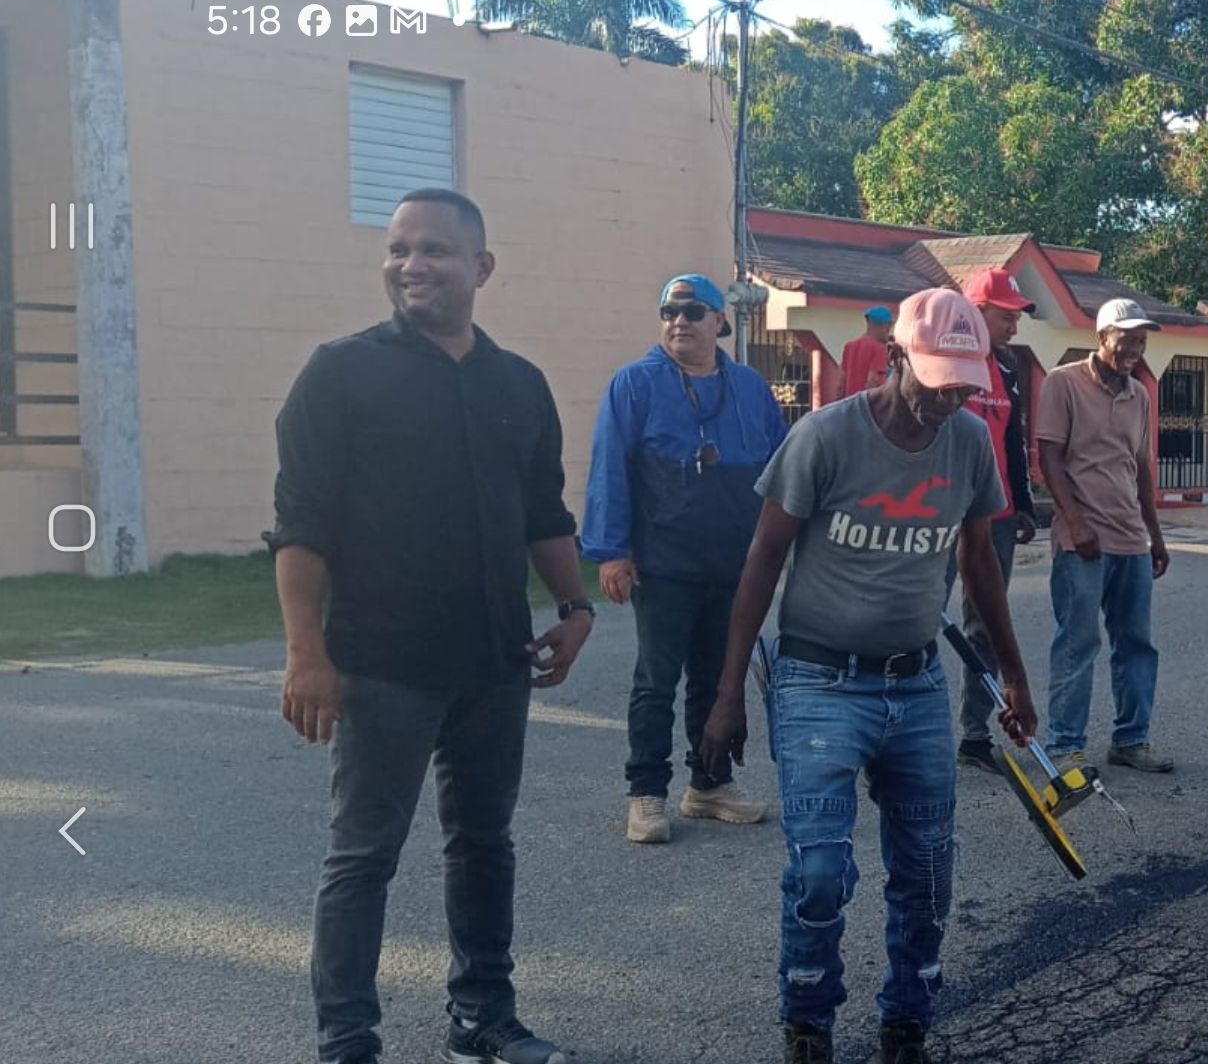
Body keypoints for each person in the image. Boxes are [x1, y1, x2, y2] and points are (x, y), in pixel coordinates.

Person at [271, 188, 590, 1064]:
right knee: (362, 857)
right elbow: (300, 528)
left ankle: (482, 1019)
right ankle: (347, 1042)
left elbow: (543, 512)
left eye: (435, 250)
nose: (411, 264)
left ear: (481, 267)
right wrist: (306, 654)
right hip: (382, 664)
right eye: (399, 248)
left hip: (495, 662)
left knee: (484, 845)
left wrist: (575, 608)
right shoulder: (339, 374)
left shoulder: (518, 385)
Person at [700, 287, 1036, 1064]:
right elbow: (763, 559)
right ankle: (808, 1021)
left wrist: (1013, 677)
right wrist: (727, 694)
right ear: (893, 358)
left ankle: (906, 1023)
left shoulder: (968, 442)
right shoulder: (824, 437)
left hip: (916, 685)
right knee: (820, 870)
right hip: (818, 680)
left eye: (964, 386)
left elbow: (980, 564)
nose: (950, 400)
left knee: (927, 872)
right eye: (937, 382)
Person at [584, 274, 789, 843]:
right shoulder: (634, 384)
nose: (679, 321)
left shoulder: (749, 387)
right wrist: (612, 552)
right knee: (656, 681)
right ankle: (646, 792)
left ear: (719, 321)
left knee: (716, 678)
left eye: (693, 311)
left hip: (734, 564)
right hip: (663, 565)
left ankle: (710, 783)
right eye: (669, 311)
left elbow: (783, 466)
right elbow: (609, 467)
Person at [1036, 297, 1174, 773]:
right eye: (1126, 339)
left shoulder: (1140, 396)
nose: (1134, 349)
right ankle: (1064, 746)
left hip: (1131, 539)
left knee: (1136, 643)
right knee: (1077, 643)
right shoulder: (1063, 383)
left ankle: (1131, 740)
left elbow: (1140, 469)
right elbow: (1049, 458)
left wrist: (1155, 536)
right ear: (1102, 337)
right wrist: (1075, 523)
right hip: (1082, 543)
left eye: (1141, 341)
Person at [950, 268, 1042, 774]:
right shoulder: (948, 363)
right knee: (913, 621)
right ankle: (893, 734)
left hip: (996, 514)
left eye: (1017, 316)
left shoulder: (1006, 367)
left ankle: (974, 734)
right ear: (976, 311)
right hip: (940, 512)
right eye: (1006, 315)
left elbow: (1013, 439)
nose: (1014, 325)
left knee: (984, 624)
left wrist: (1023, 502)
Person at [839, 305, 896, 396]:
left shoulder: (849, 347)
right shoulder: (879, 349)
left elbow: (841, 384)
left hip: (851, 402)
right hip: (868, 402)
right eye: (889, 325)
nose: (889, 330)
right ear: (881, 325)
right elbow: (872, 382)